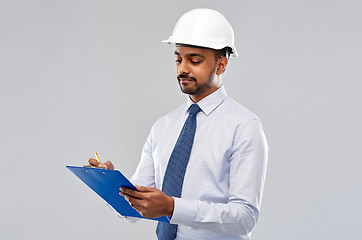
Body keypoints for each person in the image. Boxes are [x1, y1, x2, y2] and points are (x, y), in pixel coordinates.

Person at [88, 8, 268, 240]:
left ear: (221, 65)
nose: (182, 68)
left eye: (195, 60)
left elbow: (244, 217)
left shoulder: (244, 126)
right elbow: (132, 210)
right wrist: (111, 186)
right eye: (178, 59)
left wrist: (172, 207)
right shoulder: (163, 127)